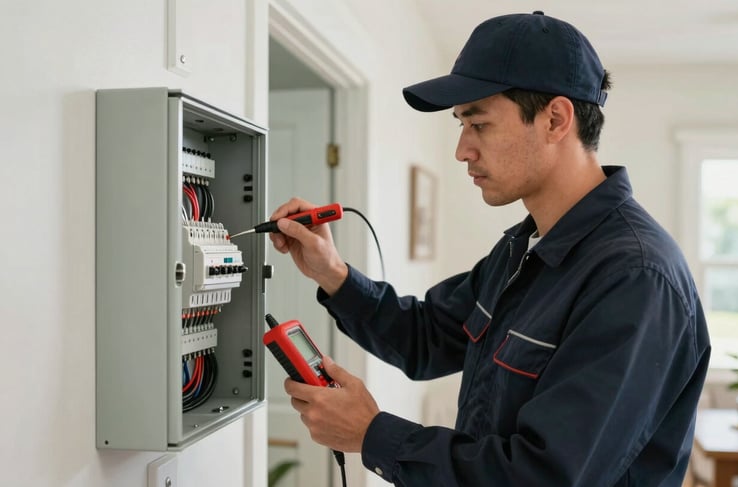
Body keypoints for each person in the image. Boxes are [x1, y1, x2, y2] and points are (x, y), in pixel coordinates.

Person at [269, 11, 710, 486]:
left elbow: (543, 477)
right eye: (462, 124)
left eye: (478, 124)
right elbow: (426, 337)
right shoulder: (525, 249)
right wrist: (332, 272)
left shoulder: (635, 277)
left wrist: (373, 433)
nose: (462, 150)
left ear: (555, 120)